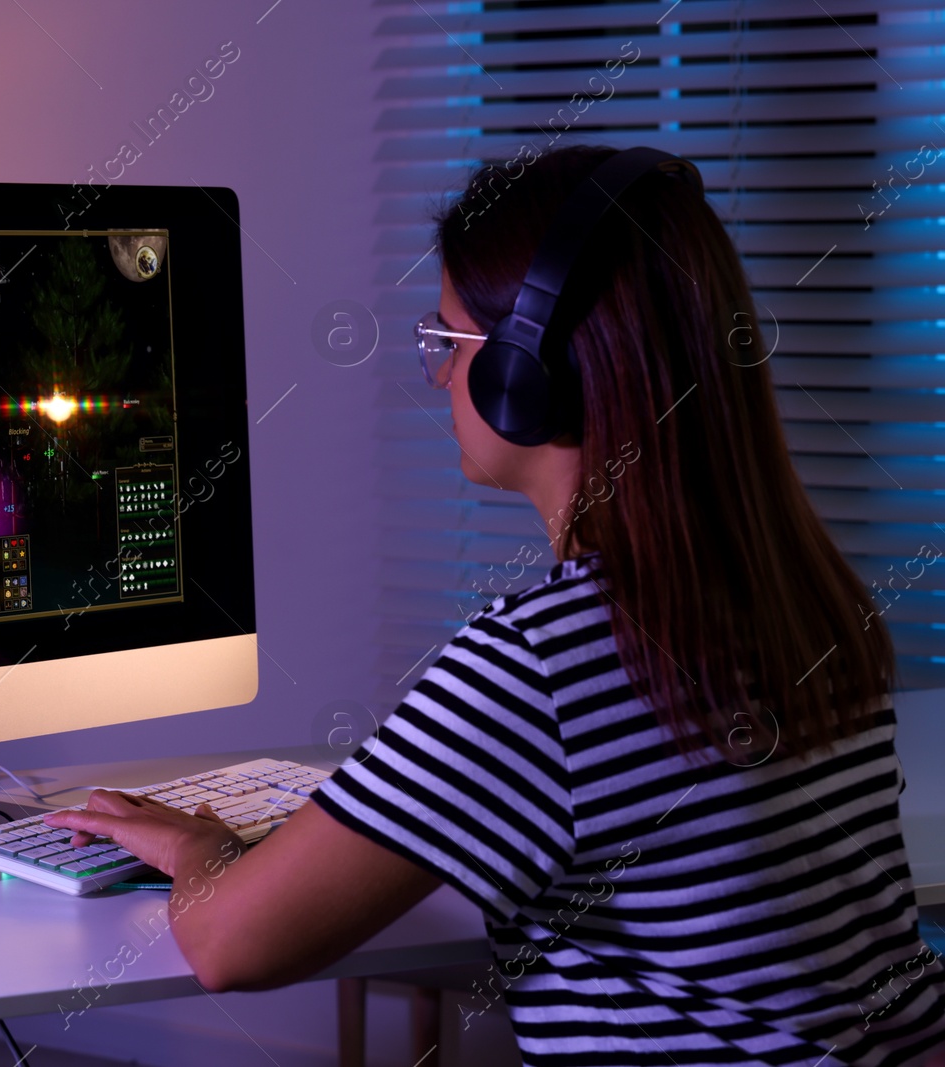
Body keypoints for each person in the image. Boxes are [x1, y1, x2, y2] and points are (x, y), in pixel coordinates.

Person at [47, 144, 945, 1065]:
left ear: (526, 374)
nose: (436, 377)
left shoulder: (543, 664)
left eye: (446, 343)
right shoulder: (811, 600)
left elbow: (231, 945)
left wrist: (199, 850)